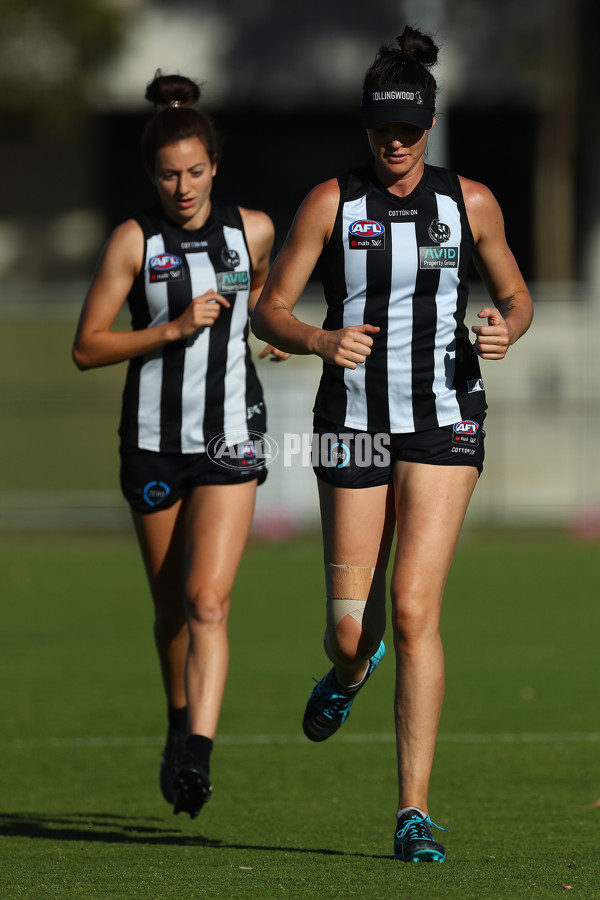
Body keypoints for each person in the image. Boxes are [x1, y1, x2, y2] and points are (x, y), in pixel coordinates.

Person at [252, 26, 533, 862]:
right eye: (383, 131)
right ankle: (347, 674)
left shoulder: (470, 202)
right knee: (351, 632)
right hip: (352, 422)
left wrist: (503, 329)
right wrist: (315, 340)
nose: (396, 145)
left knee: (414, 609)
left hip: (447, 416)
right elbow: (271, 306)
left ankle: (412, 812)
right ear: (367, 128)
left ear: (431, 125)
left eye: (409, 131)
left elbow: (517, 297)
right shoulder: (330, 203)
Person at [73, 72, 288, 820]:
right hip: (154, 442)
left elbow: (261, 299)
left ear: (216, 167)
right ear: (151, 175)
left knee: (208, 600)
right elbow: (87, 347)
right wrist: (170, 329)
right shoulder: (135, 240)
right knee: (170, 611)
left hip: (232, 437)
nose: (184, 186)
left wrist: (272, 335)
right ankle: (177, 721)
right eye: (169, 173)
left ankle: (197, 754)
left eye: (196, 171)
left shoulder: (252, 229)